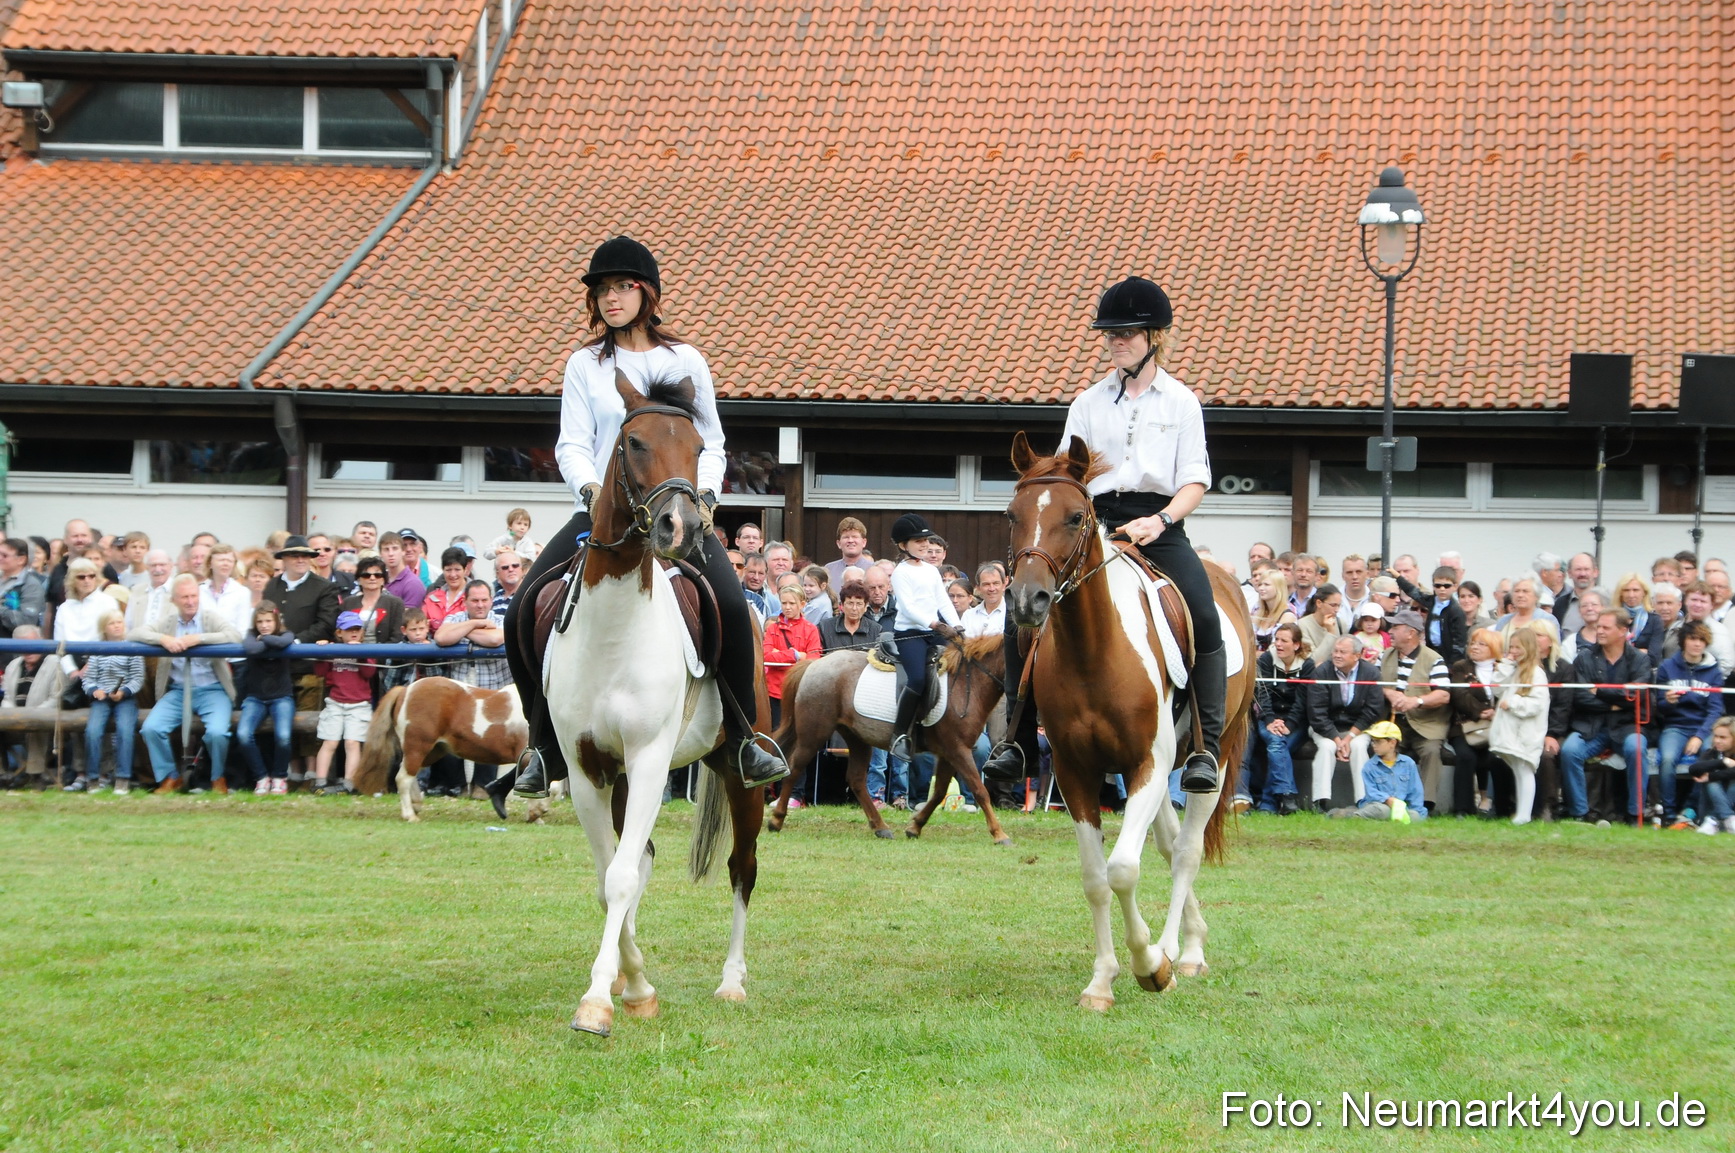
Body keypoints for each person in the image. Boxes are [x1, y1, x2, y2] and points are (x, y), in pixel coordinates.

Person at [502, 236, 788, 797]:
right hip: (604, 512)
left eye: (622, 287)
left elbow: (712, 442)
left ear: (647, 294)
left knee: (732, 605)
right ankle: (543, 746)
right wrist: (590, 492)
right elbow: (571, 444)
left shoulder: (685, 360)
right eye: (602, 290)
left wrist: (705, 499)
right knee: (522, 607)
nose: (610, 298)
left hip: (676, 508)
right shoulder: (584, 364)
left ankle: (743, 739)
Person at [133, 574, 242, 794]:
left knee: (217, 733)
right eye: (184, 597)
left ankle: (217, 777)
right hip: (178, 690)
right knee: (151, 728)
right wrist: (163, 639)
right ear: (174, 600)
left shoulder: (209, 618)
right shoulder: (168, 622)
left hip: (213, 688)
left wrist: (199, 639)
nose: (190, 601)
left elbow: (235, 636)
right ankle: (170, 778)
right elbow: (135, 633)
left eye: (193, 596)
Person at [1559, 608, 1651, 822]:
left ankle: (1635, 813)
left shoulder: (1639, 660)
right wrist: (1615, 705)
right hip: (1591, 725)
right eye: (1598, 626)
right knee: (1570, 751)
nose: (1599, 631)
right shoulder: (1584, 658)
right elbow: (1580, 697)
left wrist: (1599, 691)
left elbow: (1636, 696)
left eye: (1605, 627)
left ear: (1622, 631)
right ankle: (1580, 813)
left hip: (1627, 725)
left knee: (1637, 749)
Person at [888, 515, 960, 761]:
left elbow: (942, 601)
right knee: (918, 679)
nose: (925, 545)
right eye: (918, 541)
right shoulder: (901, 573)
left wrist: (957, 626)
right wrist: (936, 624)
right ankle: (899, 734)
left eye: (926, 540)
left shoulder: (931, 570)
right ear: (903, 545)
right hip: (910, 634)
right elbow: (908, 608)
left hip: (935, 632)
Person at [1651, 620, 1724, 825]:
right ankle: (1668, 813)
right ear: (1684, 641)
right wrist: (1668, 702)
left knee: (1708, 758)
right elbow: (1659, 707)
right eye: (1693, 639)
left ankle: (1692, 810)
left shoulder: (1714, 671)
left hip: (1704, 727)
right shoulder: (1667, 667)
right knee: (1667, 759)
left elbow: (1716, 710)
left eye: (1702, 640)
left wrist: (1699, 736)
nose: (1697, 644)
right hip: (1675, 726)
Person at [1379, 608, 1451, 811]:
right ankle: (1385, 801)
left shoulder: (1434, 659)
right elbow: (1372, 683)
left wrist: (1416, 701)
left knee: (1431, 751)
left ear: (1411, 633)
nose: (1390, 631)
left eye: (1395, 627)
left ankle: (1424, 805)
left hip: (1426, 725)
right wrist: (1388, 692)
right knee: (1380, 749)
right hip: (1394, 723)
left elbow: (1444, 695)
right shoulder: (1384, 656)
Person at [1305, 634, 1383, 810]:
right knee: (1327, 748)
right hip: (1325, 728)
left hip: (1358, 729)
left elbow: (1372, 711)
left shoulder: (1371, 673)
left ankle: (1364, 801)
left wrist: (1348, 738)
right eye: (1335, 651)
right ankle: (1320, 801)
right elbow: (1316, 713)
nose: (1337, 655)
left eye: (1342, 652)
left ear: (1357, 655)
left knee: (1359, 747)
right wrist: (1337, 740)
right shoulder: (1321, 672)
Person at [311, 611, 378, 795]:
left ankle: (349, 784)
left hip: (359, 704)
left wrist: (360, 654)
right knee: (329, 742)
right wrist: (323, 652)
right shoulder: (334, 650)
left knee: (352, 743)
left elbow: (369, 673)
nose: (354, 632)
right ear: (339, 633)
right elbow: (320, 672)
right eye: (349, 630)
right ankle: (319, 782)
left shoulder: (366, 651)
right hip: (335, 703)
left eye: (357, 629)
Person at [78, 612, 144, 794]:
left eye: (119, 622)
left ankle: (123, 777)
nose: (116, 626)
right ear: (104, 628)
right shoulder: (98, 650)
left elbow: (137, 678)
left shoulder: (132, 648)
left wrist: (124, 691)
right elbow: (88, 678)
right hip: (101, 698)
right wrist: (94, 690)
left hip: (125, 698)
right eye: (111, 623)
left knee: (125, 731)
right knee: (92, 732)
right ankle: (92, 777)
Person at [1249, 622, 1311, 814]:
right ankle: (1286, 796)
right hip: (1269, 718)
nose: (1278, 644)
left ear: (1296, 645)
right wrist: (1269, 720)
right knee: (1277, 744)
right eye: (1276, 639)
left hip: (1295, 722)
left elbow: (1302, 701)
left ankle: (1268, 803)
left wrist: (1289, 724)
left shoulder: (1307, 665)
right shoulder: (1267, 659)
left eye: (1284, 641)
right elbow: (1262, 694)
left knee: (1277, 747)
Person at [1490, 626, 1550, 825]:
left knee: (1525, 771)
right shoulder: (1515, 670)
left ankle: (1524, 814)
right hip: (1511, 732)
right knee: (1517, 770)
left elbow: (1537, 704)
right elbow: (1496, 688)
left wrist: (1513, 703)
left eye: (1518, 647)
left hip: (1526, 733)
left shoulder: (1536, 674)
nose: (1513, 651)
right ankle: (1521, 813)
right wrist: (1506, 664)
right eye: (1511, 647)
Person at [236, 601, 296, 796]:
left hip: (282, 697)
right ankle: (261, 777)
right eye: (260, 621)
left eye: (268, 621)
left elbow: (284, 642)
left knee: (283, 737)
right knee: (243, 735)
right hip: (255, 697)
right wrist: (268, 641)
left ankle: (279, 776)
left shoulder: (285, 633)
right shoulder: (250, 635)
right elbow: (251, 648)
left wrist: (265, 639)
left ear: (276, 621)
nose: (264, 625)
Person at [1448, 628, 1506, 816]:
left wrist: (1496, 712)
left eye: (1482, 644)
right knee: (1466, 756)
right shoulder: (1461, 667)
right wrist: (1482, 712)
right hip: (1465, 726)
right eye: (1473, 643)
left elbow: (1510, 694)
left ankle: (1503, 808)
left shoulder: (1504, 668)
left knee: (1499, 758)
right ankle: (1463, 809)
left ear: (1494, 647)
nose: (1474, 647)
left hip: (1497, 726)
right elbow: (1459, 695)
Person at [1326, 720, 1427, 821]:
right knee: (1382, 811)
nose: (1374, 745)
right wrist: (1387, 800)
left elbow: (1416, 791)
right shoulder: (1369, 766)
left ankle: (1371, 816)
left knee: (1414, 816)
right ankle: (1351, 815)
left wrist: (1417, 811)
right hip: (1378, 804)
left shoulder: (1408, 763)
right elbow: (1371, 792)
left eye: (1378, 741)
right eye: (1373, 741)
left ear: (1392, 743)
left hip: (1401, 807)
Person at [763, 581, 820, 730]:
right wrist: (795, 655)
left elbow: (813, 661)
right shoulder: (772, 629)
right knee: (776, 732)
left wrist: (778, 654)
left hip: (799, 691)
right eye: (784, 603)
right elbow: (766, 657)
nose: (787, 607)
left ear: (802, 604)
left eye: (792, 603)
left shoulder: (811, 629)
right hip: (774, 692)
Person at [1680, 717, 1735, 834]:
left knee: (1721, 779)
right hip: (1708, 808)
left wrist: (1711, 776)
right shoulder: (1712, 753)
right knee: (1710, 781)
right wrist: (1723, 761)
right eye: (1716, 736)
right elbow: (1694, 769)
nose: (1717, 741)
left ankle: (1715, 820)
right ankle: (1727, 818)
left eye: (1723, 737)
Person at [341, 556, 405, 644]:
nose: (372, 578)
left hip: (386, 652)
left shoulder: (395, 603)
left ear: (383, 580)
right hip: (352, 651)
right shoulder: (347, 603)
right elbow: (339, 633)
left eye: (377, 575)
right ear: (359, 579)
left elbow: (397, 636)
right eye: (366, 575)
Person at [1494, 575, 1560, 648]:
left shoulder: (1547, 619)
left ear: (1536, 596)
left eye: (1525, 591)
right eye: (1517, 591)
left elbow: (1555, 649)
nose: (1520, 595)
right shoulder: (1503, 620)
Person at [0, 537, 46, 638]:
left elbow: (26, 622)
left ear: (21, 559)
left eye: (4, 556)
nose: (0, 558)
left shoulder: (31, 586)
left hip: (11, 644)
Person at [818, 579, 881, 653]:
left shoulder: (876, 630)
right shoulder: (825, 628)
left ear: (865, 607)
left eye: (859, 604)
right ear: (842, 605)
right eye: (850, 603)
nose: (854, 608)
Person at [421, 546, 472, 632]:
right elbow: (420, 624)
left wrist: (436, 624)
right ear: (442, 570)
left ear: (465, 570)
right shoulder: (431, 597)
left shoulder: (475, 596)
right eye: (448, 570)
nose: (453, 575)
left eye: (457, 569)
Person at [1612, 573, 1662, 654]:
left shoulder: (1654, 620)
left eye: (1635, 590)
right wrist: (1642, 652)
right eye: (1626, 590)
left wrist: (1624, 653)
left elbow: (1654, 656)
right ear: (1620, 593)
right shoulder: (1612, 618)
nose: (1631, 595)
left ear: (1644, 593)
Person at [1251, 569, 1297, 654]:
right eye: (1260, 584)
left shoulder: (1287, 615)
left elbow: (1275, 650)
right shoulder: (1258, 613)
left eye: (1266, 584)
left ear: (1278, 587)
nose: (1261, 588)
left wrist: (1256, 654)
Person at [824, 517, 873, 594]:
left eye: (854, 537)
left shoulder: (873, 569)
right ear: (839, 543)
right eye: (846, 537)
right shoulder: (829, 570)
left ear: (864, 542)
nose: (850, 540)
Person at [960, 563, 1006, 638]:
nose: (992, 589)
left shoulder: (1012, 616)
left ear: (1003, 586)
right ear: (978, 588)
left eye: (996, 583)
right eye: (986, 584)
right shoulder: (968, 616)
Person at [1297, 583, 1343, 659]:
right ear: (1319, 603)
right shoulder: (1303, 625)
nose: (1337, 610)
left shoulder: (1341, 623)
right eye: (1333, 605)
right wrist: (1331, 633)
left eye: (1339, 605)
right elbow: (1312, 660)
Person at [1336, 553, 1373, 631]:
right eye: (1349, 572)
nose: (1354, 577)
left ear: (1367, 574)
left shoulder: (1374, 600)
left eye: (1359, 572)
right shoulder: (1333, 599)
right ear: (1343, 576)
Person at [491, 550, 525, 617]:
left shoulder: (528, 594)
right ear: (497, 574)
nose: (511, 569)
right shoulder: (497, 596)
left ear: (522, 569)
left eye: (515, 566)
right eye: (505, 567)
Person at [1287, 554, 1319, 619]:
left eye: (1309, 571)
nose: (1303, 574)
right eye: (1300, 570)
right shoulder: (1286, 601)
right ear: (1292, 573)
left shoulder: (1322, 601)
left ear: (1316, 576)